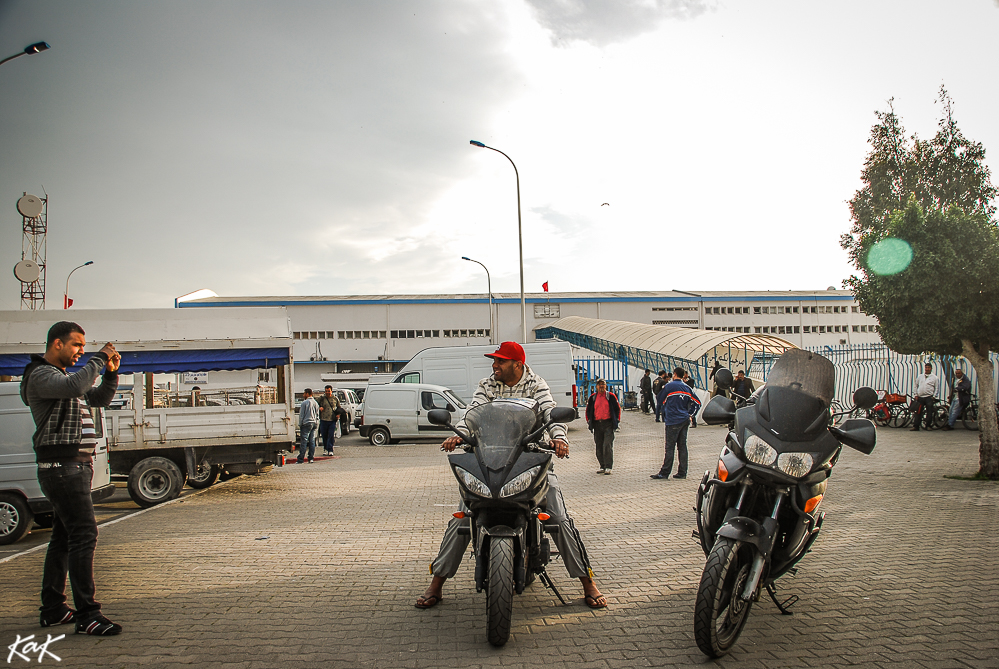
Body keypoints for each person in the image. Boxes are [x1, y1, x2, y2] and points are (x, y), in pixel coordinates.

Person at [415, 341, 607, 610]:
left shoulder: (536, 384)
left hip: (528, 459)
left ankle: (588, 582)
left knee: (560, 520)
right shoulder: (487, 385)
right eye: (494, 361)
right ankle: (436, 583)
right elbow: (472, 413)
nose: (495, 365)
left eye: (500, 361)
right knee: (461, 520)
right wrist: (457, 435)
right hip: (489, 461)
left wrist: (559, 439)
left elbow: (551, 413)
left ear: (517, 364)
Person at [20, 321, 122, 636]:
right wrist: (98, 359)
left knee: (64, 538)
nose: (81, 351)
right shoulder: (41, 376)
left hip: (73, 466)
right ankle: (88, 614)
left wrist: (110, 374)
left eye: (83, 345)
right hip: (63, 468)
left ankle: (53, 609)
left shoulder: (64, 377)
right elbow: (76, 387)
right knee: (84, 535)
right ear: (57, 344)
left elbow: (98, 398)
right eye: (76, 344)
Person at [651, 367, 701, 480]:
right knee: (682, 446)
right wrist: (690, 414)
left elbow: (660, 399)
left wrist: (666, 406)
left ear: (674, 374)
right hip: (684, 420)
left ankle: (664, 472)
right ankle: (682, 472)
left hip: (672, 420)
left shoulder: (669, 386)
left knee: (670, 447)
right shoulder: (688, 388)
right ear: (683, 375)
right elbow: (698, 403)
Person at [586, 378, 621, 474]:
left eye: (603, 384)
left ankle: (608, 466)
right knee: (599, 446)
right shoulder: (593, 397)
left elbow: (617, 409)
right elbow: (588, 410)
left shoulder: (611, 396)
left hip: (608, 424)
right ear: (596, 386)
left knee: (607, 445)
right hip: (597, 425)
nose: (601, 386)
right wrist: (589, 421)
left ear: (606, 386)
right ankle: (602, 465)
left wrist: (617, 421)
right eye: (599, 384)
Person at [909, 363, 939, 432]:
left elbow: (937, 387)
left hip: (929, 397)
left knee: (929, 411)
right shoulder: (920, 376)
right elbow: (916, 385)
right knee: (918, 412)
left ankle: (928, 425)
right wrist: (915, 394)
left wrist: (934, 396)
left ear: (931, 368)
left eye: (928, 367)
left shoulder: (934, 378)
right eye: (926, 367)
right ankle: (916, 426)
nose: (927, 369)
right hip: (920, 397)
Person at [317, 386, 340, 455]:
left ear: (331, 391)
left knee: (331, 435)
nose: (327, 392)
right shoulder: (322, 398)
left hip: (332, 420)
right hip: (323, 419)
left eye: (328, 391)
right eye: (326, 391)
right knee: (324, 435)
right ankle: (325, 449)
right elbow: (315, 404)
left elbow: (339, 407)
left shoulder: (335, 398)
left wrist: (338, 414)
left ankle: (330, 449)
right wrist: (319, 407)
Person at [298, 388, 320, 463]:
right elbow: (317, 414)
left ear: (307, 394)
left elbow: (301, 415)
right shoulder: (315, 403)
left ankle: (301, 459)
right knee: (312, 441)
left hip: (306, 423)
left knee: (304, 441)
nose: (303, 395)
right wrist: (317, 422)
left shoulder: (304, 403)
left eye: (304, 393)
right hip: (314, 423)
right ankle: (311, 458)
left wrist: (300, 424)